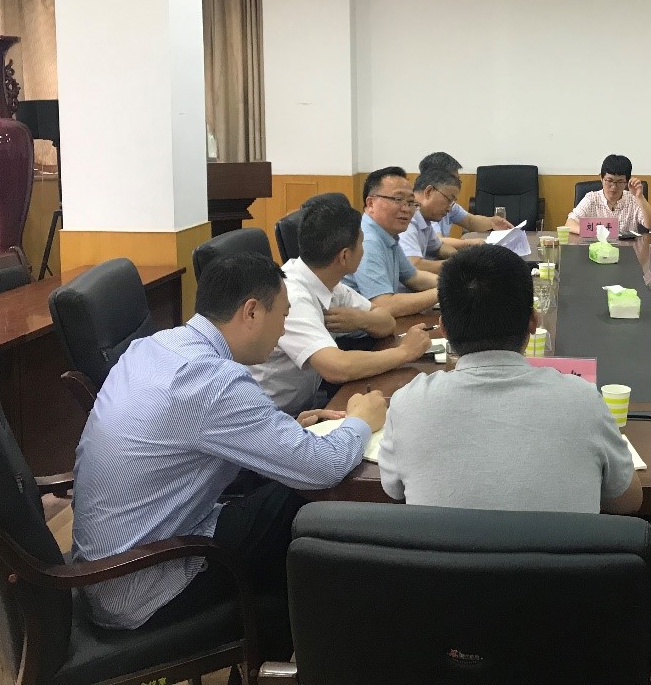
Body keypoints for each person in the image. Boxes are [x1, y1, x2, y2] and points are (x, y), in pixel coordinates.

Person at [72, 253, 387, 654]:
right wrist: (361, 421)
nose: (284, 328)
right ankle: (310, 647)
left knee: (286, 505)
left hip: (109, 568)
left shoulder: (154, 347)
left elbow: (194, 437)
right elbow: (323, 467)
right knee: (307, 506)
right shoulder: (212, 381)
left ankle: (290, 641)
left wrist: (283, 431)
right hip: (144, 584)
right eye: (283, 314)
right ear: (251, 312)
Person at [378, 244, 643, 514]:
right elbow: (628, 500)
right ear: (533, 321)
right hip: (554, 544)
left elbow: (393, 490)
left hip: (445, 545)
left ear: (443, 328)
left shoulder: (408, 404)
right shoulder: (583, 400)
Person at [252, 200, 433, 416]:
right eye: (362, 243)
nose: (364, 250)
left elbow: (386, 321)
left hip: (307, 405)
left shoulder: (327, 281)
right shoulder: (293, 296)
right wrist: (404, 352)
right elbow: (336, 368)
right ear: (345, 256)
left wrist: (361, 320)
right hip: (271, 416)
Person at [344, 166, 439, 316]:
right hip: (356, 329)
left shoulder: (386, 234)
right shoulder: (366, 241)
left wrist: (452, 283)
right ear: (371, 203)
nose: (406, 209)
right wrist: (444, 291)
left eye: (411, 202)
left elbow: (413, 277)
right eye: (398, 199)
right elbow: (385, 305)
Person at [418, 152, 512, 249]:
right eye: (454, 180)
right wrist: (470, 243)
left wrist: (492, 222)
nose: (457, 185)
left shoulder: (448, 204)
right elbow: (438, 241)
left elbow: (470, 221)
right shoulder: (423, 209)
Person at [566, 154, 651, 234]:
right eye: (609, 181)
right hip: (597, 247)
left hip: (628, 248)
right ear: (601, 178)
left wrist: (640, 197)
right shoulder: (592, 198)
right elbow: (569, 223)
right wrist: (592, 232)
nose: (614, 187)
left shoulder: (633, 199)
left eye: (620, 182)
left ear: (627, 182)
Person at [399, 167, 468, 274]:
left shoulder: (424, 219)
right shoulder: (407, 219)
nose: (449, 209)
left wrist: (461, 257)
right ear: (429, 192)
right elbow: (415, 265)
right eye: (449, 200)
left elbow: (439, 247)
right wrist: (460, 264)